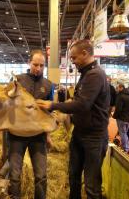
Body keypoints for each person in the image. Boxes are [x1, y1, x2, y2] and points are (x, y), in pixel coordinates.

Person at [37, 39, 110, 199]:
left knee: (91, 184)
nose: (72, 61)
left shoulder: (95, 75)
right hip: (80, 133)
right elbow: (78, 102)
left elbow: (83, 105)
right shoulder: (86, 75)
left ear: (85, 53)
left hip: (94, 137)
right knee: (74, 176)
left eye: (74, 57)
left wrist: (53, 105)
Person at [8, 49, 54, 199]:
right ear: (29, 63)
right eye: (35, 64)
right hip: (17, 135)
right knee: (14, 175)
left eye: (42, 65)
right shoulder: (17, 81)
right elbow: (7, 106)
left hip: (38, 136)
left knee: (41, 176)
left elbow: (49, 112)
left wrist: (48, 135)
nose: (38, 68)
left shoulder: (48, 85)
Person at [113, 84, 129, 154]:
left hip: (121, 118)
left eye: (118, 88)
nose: (117, 89)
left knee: (123, 133)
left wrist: (115, 116)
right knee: (125, 133)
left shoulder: (120, 96)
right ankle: (126, 147)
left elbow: (118, 108)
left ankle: (125, 149)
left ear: (121, 88)